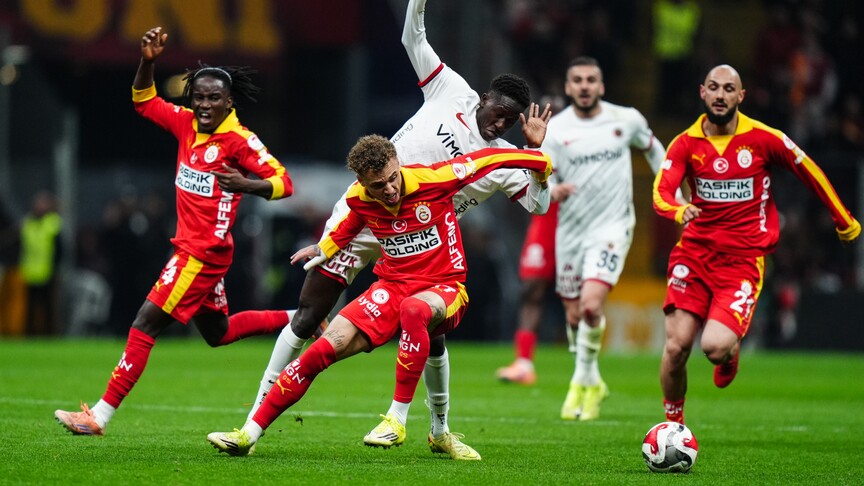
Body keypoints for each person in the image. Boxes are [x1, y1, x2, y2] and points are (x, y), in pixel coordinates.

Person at [235, 0, 551, 460]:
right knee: (308, 313)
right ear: (484, 98)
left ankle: (438, 428)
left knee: (429, 327)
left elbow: (539, 204)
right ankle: (255, 416)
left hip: (418, 249)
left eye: (508, 121)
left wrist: (538, 157)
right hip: (366, 216)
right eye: (496, 111)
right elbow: (412, 39)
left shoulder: (499, 160)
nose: (497, 122)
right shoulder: (451, 89)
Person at [206, 135, 552, 457]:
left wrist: (538, 159)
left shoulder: (435, 179)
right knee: (319, 352)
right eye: (377, 185)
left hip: (444, 287)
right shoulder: (360, 198)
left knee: (415, 311)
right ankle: (248, 434)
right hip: (390, 286)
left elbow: (488, 159)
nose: (388, 189)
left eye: (392, 178)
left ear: (397, 164)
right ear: (362, 182)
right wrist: (323, 247)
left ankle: (396, 419)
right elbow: (349, 227)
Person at [53, 26, 295, 436]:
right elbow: (143, 100)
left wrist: (247, 185)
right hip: (197, 252)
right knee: (218, 334)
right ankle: (299, 318)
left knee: (144, 323)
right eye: (198, 96)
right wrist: (147, 61)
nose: (204, 104)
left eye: (213, 97)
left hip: (200, 254)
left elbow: (284, 182)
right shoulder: (185, 125)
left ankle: (99, 415)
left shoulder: (239, 140)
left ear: (229, 101)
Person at [653, 64, 860, 424]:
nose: (720, 95)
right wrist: (677, 209)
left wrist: (843, 219)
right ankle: (674, 428)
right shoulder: (685, 144)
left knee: (714, 348)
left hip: (742, 262)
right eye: (713, 88)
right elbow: (661, 191)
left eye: (728, 89)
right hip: (694, 255)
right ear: (702, 92)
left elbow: (808, 169)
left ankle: (729, 353)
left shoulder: (764, 138)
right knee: (675, 348)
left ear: (740, 96)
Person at [513, 56, 666, 421]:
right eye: (577, 80)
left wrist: (666, 189)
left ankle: (579, 383)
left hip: (612, 227)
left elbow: (653, 149)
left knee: (592, 306)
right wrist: (552, 186)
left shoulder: (624, 119)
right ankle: (593, 379)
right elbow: (540, 176)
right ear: (568, 88)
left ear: (601, 86)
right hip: (572, 231)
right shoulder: (557, 129)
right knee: (574, 315)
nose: (584, 86)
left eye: (591, 80)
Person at [494, 202, 559, 385]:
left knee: (580, 297)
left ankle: (585, 367)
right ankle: (523, 364)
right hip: (545, 221)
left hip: (578, 222)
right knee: (531, 289)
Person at [19, 190, 62, 336]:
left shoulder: (52, 222)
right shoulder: (27, 223)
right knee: (30, 307)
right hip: (30, 271)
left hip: (47, 271)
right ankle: (29, 334)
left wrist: (56, 269)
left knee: (48, 307)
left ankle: (49, 335)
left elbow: (59, 249)